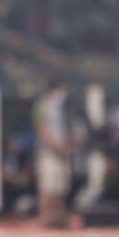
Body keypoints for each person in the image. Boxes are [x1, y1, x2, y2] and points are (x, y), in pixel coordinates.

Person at [34, 81, 71, 228]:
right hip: (48, 153)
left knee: (60, 188)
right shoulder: (41, 107)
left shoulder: (63, 108)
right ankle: (45, 218)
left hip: (62, 153)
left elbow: (68, 129)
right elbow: (42, 130)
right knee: (48, 187)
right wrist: (55, 146)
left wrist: (67, 146)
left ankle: (59, 219)